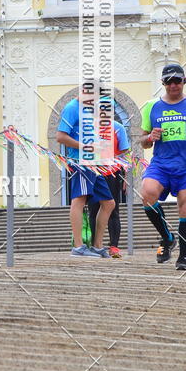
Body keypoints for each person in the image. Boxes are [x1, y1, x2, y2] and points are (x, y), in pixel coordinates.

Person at [56, 92, 116, 258]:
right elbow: (60, 136)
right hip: (81, 162)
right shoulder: (71, 108)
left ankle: (97, 246)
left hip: (94, 164)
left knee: (109, 203)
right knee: (79, 199)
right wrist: (86, 147)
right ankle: (79, 247)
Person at [140, 63, 186, 270]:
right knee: (147, 194)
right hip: (161, 163)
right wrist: (150, 137)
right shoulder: (151, 106)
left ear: (184, 81)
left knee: (185, 205)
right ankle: (167, 239)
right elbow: (143, 141)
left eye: (177, 80)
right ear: (162, 83)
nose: (173, 85)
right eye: (169, 81)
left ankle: (184, 257)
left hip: (185, 166)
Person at [88, 118, 130, 258]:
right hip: (93, 171)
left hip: (112, 172)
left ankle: (114, 246)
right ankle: (95, 245)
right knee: (93, 209)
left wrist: (126, 177)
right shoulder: (89, 125)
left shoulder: (118, 127)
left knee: (113, 209)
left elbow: (125, 153)